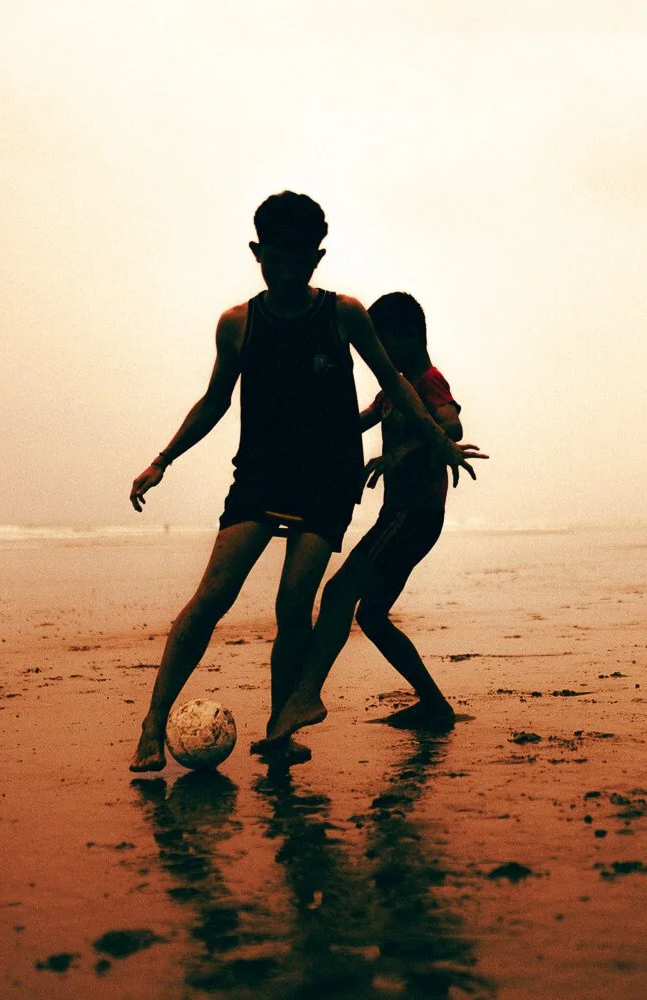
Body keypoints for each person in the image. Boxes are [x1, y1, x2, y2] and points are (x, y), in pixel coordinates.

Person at [128, 194, 484, 771]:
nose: (291, 274)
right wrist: (163, 459)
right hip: (261, 476)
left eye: (302, 261)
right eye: (278, 261)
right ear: (257, 253)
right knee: (211, 598)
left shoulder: (344, 314)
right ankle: (151, 723)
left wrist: (440, 443)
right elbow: (216, 400)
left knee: (294, 605)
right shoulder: (238, 325)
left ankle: (279, 730)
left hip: (327, 480)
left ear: (318, 257)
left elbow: (394, 386)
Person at [256, 291, 486, 749]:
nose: (373, 353)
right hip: (399, 516)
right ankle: (434, 704)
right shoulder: (391, 390)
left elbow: (451, 424)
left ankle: (306, 696)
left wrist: (403, 452)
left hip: (414, 515)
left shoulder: (427, 381)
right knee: (373, 616)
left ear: (403, 338)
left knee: (339, 592)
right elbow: (350, 423)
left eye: (380, 343)